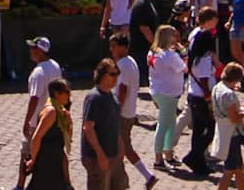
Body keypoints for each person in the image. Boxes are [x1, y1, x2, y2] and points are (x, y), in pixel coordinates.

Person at [105, 33, 154, 189]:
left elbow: (123, 90)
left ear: (123, 46)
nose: (111, 49)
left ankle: (140, 177)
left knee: (121, 148)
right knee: (123, 147)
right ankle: (145, 176)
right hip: (129, 112)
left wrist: (115, 111)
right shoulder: (130, 62)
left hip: (122, 113)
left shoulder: (123, 65)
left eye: (114, 46)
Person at [15, 37, 62, 190]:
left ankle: (20, 186)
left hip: (37, 121)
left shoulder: (38, 73)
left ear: (41, 51)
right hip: (54, 119)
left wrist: (27, 121)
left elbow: (34, 99)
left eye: (34, 49)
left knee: (26, 152)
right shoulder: (55, 66)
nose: (31, 51)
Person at [182, 6, 221, 177]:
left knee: (198, 130)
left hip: (192, 94)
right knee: (209, 129)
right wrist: (208, 100)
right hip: (200, 97)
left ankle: (199, 162)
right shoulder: (204, 60)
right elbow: (205, 81)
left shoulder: (196, 56)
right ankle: (193, 156)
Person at [80, 60, 125, 190]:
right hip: (96, 157)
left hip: (113, 154)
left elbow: (114, 124)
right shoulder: (94, 97)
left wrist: (120, 144)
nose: (115, 78)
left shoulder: (112, 96)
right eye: (112, 74)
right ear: (101, 75)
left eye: (117, 74)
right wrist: (100, 154)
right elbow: (88, 128)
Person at [146, 26, 186, 170]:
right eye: (173, 35)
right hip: (168, 93)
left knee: (170, 123)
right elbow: (183, 67)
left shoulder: (152, 52)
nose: (175, 38)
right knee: (164, 124)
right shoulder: (169, 55)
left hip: (158, 90)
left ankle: (168, 153)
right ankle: (158, 158)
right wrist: (183, 52)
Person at [24, 80, 73, 190]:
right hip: (46, 161)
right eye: (66, 92)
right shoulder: (51, 112)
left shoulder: (61, 111)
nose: (69, 95)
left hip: (56, 160)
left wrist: (69, 121)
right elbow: (36, 137)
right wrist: (33, 160)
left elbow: (68, 138)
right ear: (56, 93)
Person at [208, 62, 244, 190]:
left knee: (239, 170)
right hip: (232, 135)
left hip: (222, 130)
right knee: (229, 171)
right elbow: (234, 118)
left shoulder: (217, 87)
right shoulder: (229, 95)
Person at [128, 0, 161, 71]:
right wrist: (156, 45)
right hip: (141, 51)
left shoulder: (149, 3)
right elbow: (144, 29)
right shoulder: (141, 5)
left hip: (146, 49)